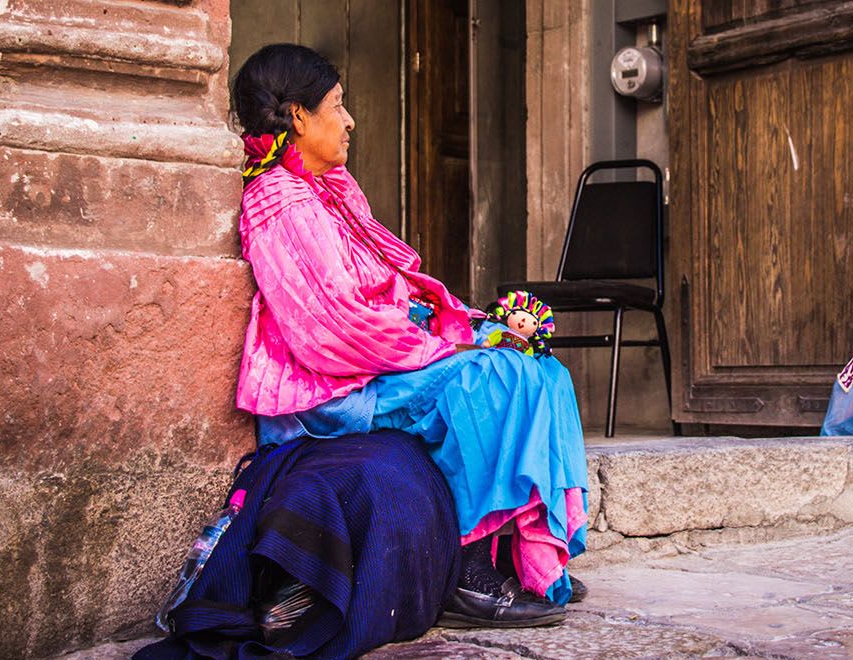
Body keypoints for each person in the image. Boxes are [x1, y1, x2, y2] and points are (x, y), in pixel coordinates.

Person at [232, 44, 590, 630]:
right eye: (337, 106)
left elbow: (389, 285)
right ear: (297, 117)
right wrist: (446, 347)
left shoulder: (331, 190)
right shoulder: (280, 202)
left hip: (380, 357)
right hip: (332, 389)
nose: (348, 121)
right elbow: (330, 331)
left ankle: (530, 561)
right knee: (493, 379)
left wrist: (469, 324)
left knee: (540, 367)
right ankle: (466, 570)